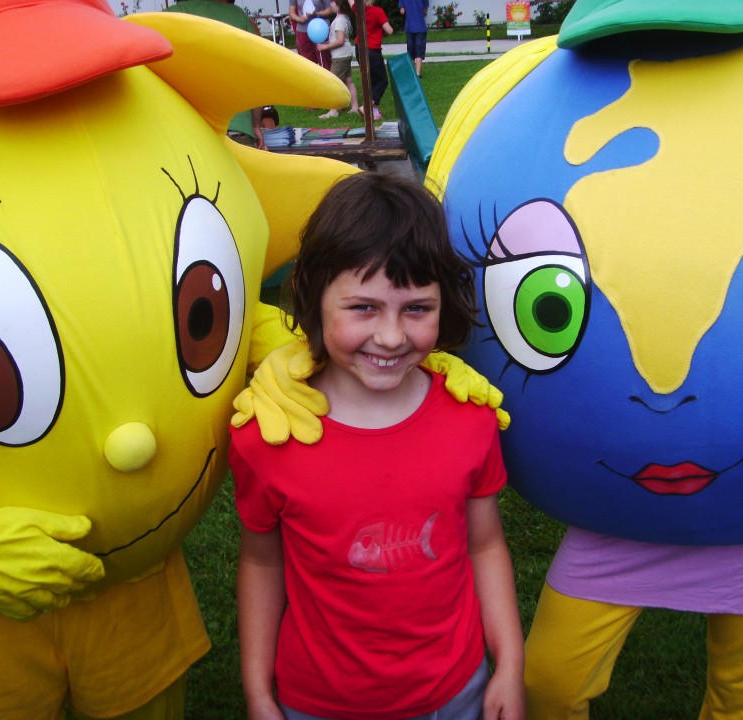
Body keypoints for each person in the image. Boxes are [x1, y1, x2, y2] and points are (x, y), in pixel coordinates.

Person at [231, 172, 525, 720]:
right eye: (363, 308)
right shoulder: (269, 436)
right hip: (316, 702)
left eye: (416, 308)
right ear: (314, 297)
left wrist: (508, 663)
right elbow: (261, 563)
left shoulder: (471, 418)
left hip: (457, 694)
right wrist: (257, 691)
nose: (390, 336)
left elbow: (485, 546)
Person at [164, 0, 267, 149]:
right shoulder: (237, 15)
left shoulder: (170, 16)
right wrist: (256, 124)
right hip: (237, 129)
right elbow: (257, 72)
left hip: (188, 130)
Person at [316, 0, 359, 118]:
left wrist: (326, 46)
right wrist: (328, 43)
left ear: (339, 6)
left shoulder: (339, 20)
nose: (330, 4)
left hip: (340, 56)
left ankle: (333, 110)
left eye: (333, 2)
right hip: (345, 53)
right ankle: (355, 107)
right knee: (348, 81)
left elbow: (340, 40)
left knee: (333, 83)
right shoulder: (345, 18)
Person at [357, 0, 394, 120]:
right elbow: (389, 30)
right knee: (382, 81)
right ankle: (366, 107)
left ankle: (374, 111)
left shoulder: (358, 10)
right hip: (372, 50)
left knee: (371, 80)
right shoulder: (378, 11)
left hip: (359, 49)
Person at [289, 0, 334, 69]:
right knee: (307, 61)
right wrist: (300, 19)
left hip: (320, 30)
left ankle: (326, 79)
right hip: (302, 30)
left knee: (324, 59)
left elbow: (330, 9)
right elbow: (292, 13)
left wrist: (317, 14)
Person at [398, 0, 429, 77]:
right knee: (420, 49)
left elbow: (402, 11)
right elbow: (425, 11)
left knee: (410, 49)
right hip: (421, 26)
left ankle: (411, 72)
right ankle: (418, 73)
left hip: (409, 27)